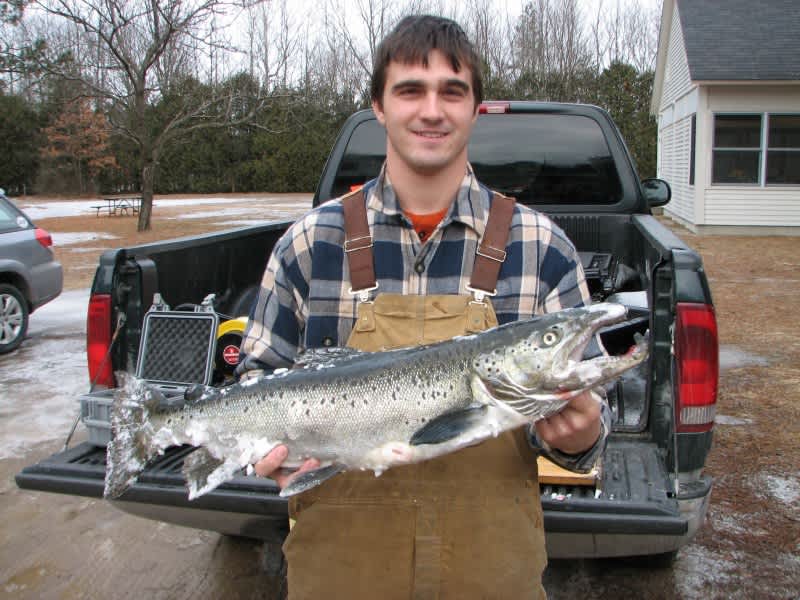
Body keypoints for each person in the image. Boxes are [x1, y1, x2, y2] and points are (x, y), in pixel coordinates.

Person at [237, 14, 610, 599]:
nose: (431, 110)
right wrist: (266, 452)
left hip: (492, 578)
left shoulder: (543, 249)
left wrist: (580, 434)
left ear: (475, 108)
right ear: (379, 107)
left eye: (452, 92)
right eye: (410, 89)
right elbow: (255, 383)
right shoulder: (308, 247)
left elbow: (587, 425)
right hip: (340, 578)